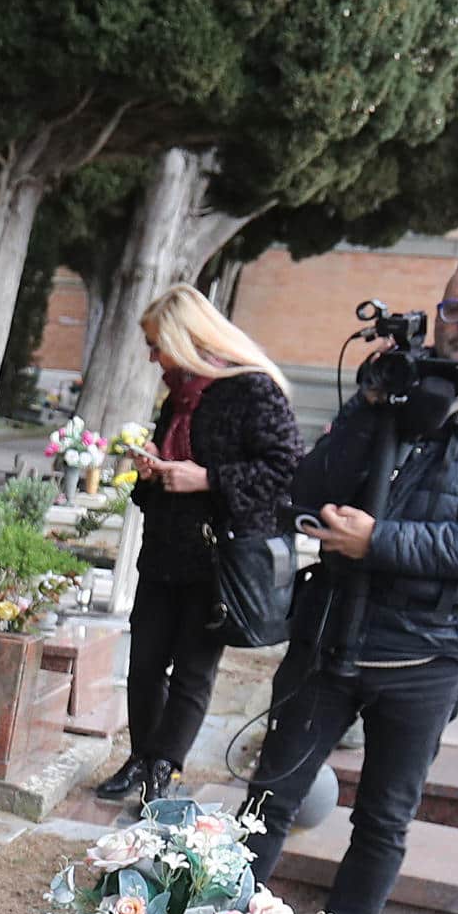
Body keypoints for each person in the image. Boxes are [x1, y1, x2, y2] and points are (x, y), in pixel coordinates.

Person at [245, 241, 458, 914]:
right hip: (331, 630)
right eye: (456, 305)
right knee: (269, 798)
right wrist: (368, 406)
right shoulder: (396, 386)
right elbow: (308, 486)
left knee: (384, 818)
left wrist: (378, 542)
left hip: (428, 652)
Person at [87, 284, 301, 806]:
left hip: (217, 561)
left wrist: (207, 479)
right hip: (164, 551)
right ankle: (141, 758)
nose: (152, 356)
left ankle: (164, 769)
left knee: (192, 670)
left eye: (157, 343)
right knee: (143, 664)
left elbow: (286, 470)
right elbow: (165, 477)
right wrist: (152, 471)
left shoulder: (252, 390)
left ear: (186, 338)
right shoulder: (179, 394)